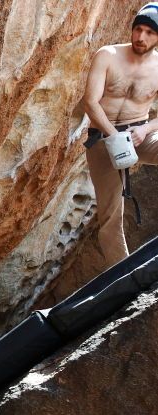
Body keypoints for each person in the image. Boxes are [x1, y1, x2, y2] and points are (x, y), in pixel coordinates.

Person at [82, 3, 158, 268]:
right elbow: (90, 102)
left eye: (150, 31)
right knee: (110, 217)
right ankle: (124, 277)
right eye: (138, 29)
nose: (141, 37)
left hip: (140, 136)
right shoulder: (108, 55)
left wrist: (145, 129)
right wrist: (115, 137)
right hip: (103, 140)